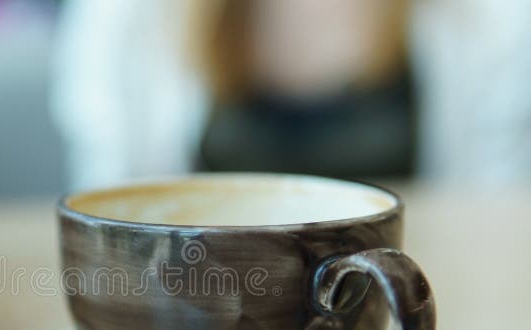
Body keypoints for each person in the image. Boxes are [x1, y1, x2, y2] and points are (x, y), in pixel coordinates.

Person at [51, 0, 531, 191]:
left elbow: (491, 210)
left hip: (413, 311)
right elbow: (112, 208)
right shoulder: (128, 16)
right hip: (211, 319)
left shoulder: (487, 19)